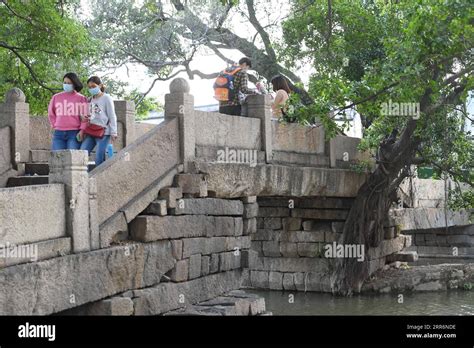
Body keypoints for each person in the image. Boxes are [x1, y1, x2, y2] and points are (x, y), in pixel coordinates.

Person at [78, 76, 118, 166]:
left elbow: (112, 115)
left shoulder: (106, 98)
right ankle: (84, 177)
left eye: (93, 86)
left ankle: (98, 179)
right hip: (91, 130)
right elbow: (91, 115)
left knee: (99, 158)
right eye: (89, 87)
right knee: (81, 153)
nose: (91, 88)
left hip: (104, 132)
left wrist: (114, 132)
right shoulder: (90, 99)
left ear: (100, 85)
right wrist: (84, 118)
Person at [48, 72, 88, 150]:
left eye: (69, 83)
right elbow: (51, 113)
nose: (66, 84)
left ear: (74, 84)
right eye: (65, 82)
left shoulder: (81, 98)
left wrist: (82, 130)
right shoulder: (56, 97)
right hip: (58, 133)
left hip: (74, 133)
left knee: (73, 159)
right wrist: (54, 125)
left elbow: (85, 116)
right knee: (57, 158)